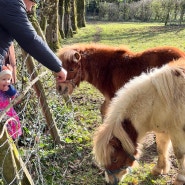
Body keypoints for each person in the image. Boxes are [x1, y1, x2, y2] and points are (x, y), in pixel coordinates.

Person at [0, 0, 67, 83]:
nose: (29, 9)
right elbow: (30, 40)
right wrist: (58, 67)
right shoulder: (11, 4)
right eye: (32, 4)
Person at [0, 65, 22, 140]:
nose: (7, 82)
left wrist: (11, 92)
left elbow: (17, 98)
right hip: (1, 115)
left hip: (9, 113)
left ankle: (12, 142)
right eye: (4, 79)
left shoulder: (9, 89)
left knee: (11, 132)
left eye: (9, 79)